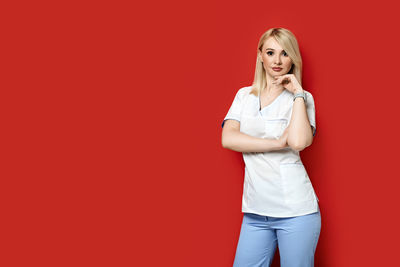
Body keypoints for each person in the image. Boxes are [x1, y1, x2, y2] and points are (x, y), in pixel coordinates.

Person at [221, 28, 321, 267]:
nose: (277, 61)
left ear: (293, 58)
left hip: (296, 212)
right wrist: (277, 143)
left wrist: (297, 93)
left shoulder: (302, 98)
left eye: (285, 53)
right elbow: (228, 138)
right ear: (260, 56)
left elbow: (298, 142)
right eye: (270, 52)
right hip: (255, 213)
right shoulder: (244, 96)